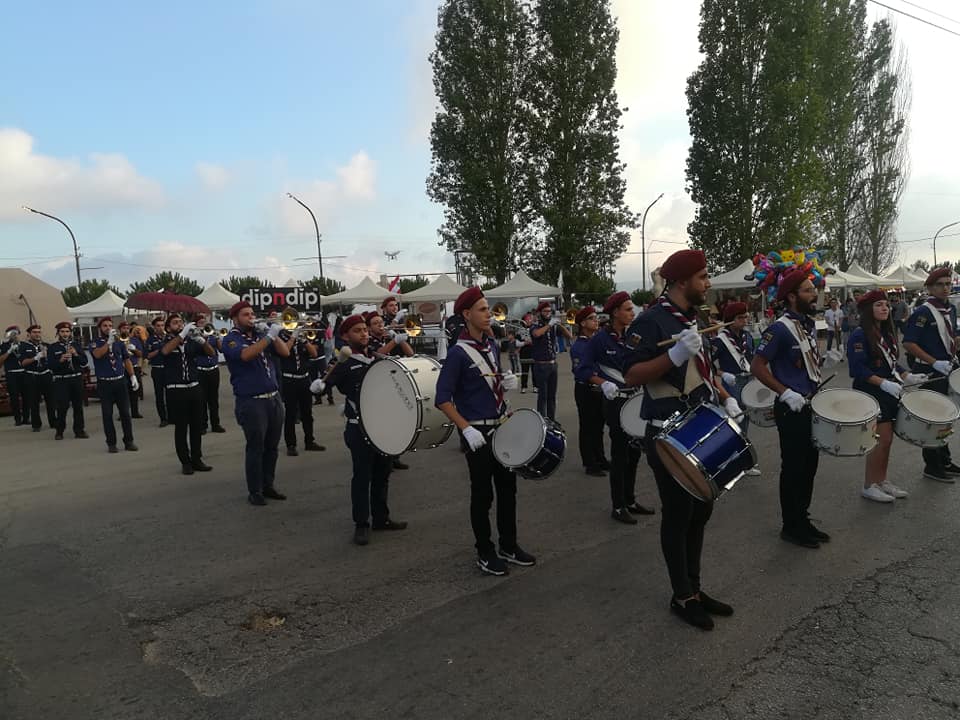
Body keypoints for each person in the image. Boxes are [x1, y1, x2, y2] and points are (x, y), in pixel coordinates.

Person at [624, 250, 741, 631]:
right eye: (703, 277)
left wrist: (725, 398)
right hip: (666, 430)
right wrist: (673, 355)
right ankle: (682, 596)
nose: (708, 283)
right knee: (679, 514)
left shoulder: (693, 318)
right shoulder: (651, 321)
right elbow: (631, 374)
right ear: (681, 281)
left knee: (701, 509)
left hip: (699, 422)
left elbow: (703, 370)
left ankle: (694, 586)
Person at [436, 287, 534, 576]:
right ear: (466, 315)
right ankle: (485, 551)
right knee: (482, 495)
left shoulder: (490, 346)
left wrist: (505, 384)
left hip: (501, 426)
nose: (488, 312)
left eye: (487, 308)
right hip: (476, 433)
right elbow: (442, 398)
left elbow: (489, 384)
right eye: (481, 309)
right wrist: (465, 429)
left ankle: (509, 545)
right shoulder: (457, 353)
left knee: (508, 490)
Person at [751, 269, 829, 549]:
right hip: (791, 407)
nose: (814, 294)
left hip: (811, 404)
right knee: (794, 467)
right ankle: (791, 526)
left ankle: (802, 518)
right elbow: (757, 367)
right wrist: (785, 392)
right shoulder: (779, 329)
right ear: (792, 296)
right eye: (808, 290)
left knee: (810, 465)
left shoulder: (806, 324)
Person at [314, 315, 407, 545]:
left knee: (382, 474)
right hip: (359, 428)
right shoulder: (343, 360)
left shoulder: (376, 356)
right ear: (345, 336)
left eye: (365, 330)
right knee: (362, 476)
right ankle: (361, 523)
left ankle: (381, 518)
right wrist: (318, 386)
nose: (364, 334)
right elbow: (325, 382)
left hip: (382, 425)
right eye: (357, 331)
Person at [584, 291, 655, 524]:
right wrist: (602, 383)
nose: (632, 312)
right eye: (627, 309)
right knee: (620, 453)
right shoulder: (599, 339)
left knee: (635, 452)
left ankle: (630, 499)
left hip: (636, 398)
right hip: (615, 401)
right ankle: (617, 506)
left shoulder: (634, 336)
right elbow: (583, 369)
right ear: (615, 312)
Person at [847, 290, 925, 502]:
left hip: (888, 391)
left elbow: (892, 363)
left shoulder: (886, 333)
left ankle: (881, 481)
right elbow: (857, 369)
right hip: (871, 392)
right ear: (868, 310)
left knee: (887, 440)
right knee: (880, 440)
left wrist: (908, 376)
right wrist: (884, 383)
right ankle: (869, 485)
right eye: (878, 305)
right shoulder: (859, 334)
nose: (885, 308)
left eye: (886, 305)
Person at [221, 301, 289, 506]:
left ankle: (268, 484)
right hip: (251, 402)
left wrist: (272, 334)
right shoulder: (231, 339)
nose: (251, 317)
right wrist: (268, 337)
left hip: (273, 397)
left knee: (272, 447)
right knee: (256, 447)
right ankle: (255, 490)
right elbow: (245, 355)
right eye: (245, 315)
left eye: (252, 314)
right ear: (235, 318)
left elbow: (285, 352)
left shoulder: (260, 335)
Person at [902, 267, 960, 483]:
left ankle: (944, 460)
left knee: (946, 417)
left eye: (948, 283)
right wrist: (934, 362)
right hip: (929, 372)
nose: (946, 288)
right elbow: (909, 343)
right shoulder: (922, 312)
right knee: (932, 420)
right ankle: (932, 466)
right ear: (930, 287)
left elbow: (952, 337)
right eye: (940, 284)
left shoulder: (951, 309)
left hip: (948, 369)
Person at [159, 315, 216, 474]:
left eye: (181, 322)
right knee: (181, 427)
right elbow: (165, 351)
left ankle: (197, 459)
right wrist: (182, 334)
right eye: (175, 323)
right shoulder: (166, 341)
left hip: (194, 387)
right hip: (176, 389)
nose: (180, 324)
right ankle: (185, 461)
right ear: (169, 327)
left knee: (197, 426)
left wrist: (202, 340)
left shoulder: (191, 341)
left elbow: (211, 354)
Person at [712, 302, 761, 476]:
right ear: (730, 320)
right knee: (734, 421)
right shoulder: (719, 341)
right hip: (731, 382)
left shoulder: (747, 336)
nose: (745, 320)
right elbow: (707, 364)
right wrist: (722, 373)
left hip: (748, 380)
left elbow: (753, 358)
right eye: (741, 317)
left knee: (745, 420)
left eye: (746, 317)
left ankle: (742, 461)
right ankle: (728, 460)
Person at [89, 316, 139, 453]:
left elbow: (126, 359)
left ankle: (129, 441)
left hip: (120, 381)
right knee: (107, 414)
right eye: (105, 325)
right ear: (100, 328)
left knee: (125, 413)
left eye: (110, 325)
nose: (108, 327)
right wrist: (108, 343)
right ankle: (111, 443)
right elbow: (98, 355)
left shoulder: (119, 342)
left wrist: (133, 376)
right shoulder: (95, 342)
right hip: (105, 383)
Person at [569, 305, 609, 477]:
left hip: (598, 388)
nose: (596, 321)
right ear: (583, 323)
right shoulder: (579, 346)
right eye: (592, 318)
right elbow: (581, 371)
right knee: (587, 427)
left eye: (596, 317)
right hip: (585, 388)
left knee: (598, 425)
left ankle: (600, 458)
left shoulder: (596, 341)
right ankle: (590, 463)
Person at [278, 326, 325, 456]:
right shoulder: (281, 337)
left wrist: (304, 340)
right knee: (291, 414)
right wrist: (293, 337)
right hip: (289, 380)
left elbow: (314, 354)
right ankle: (291, 445)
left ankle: (309, 441)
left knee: (307, 413)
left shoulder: (301, 338)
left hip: (304, 379)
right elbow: (285, 351)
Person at [529, 301, 574, 422]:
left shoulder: (553, 326)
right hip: (541, 365)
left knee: (552, 396)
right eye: (545, 311)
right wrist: (549, 324)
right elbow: (537, 334)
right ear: (540, 313)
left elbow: (569, 336)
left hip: (553, 364)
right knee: (542, 397)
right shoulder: (535, 325)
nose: (548, 313)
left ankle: (552, 421)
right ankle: (542, 422)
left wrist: (560, 325)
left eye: (549, 311)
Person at [49, 322, 89, 440]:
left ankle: (79, 430)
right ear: (58, 333)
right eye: (62, 332)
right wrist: (60, 360)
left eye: (67, 331)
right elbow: (50, 366)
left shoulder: (76, 345)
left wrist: (75, 354)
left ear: (70, 333)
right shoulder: (53, 347)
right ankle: (59, 431)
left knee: (78, 406)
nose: (65, 334)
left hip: (76, 378)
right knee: (62, 407)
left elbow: (84, 362)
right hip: (62, 380)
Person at [192, 313, 227, 434]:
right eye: (201, 323)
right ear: (196, 325)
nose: (204, 324)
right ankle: (203, 425)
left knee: (213, 399)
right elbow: (198, 351)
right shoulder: (194, 337)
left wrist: (218, 338)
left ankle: (216, 424)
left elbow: (221, 349)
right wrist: (203, 338)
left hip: (213, 369)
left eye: (204, 322)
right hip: (200, 370)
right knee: (201, 399)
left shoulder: (212, 335)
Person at [19, 324, 56, 432]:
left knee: (51, 400)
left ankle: (53, 422)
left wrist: (47, 356)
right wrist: (36, 357)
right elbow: (23, 363)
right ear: (29, 334)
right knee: (33, 401)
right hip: (32, 375)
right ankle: (36, 424)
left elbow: (53, 361)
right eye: (34, 332)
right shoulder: (23, 346)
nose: (37, 334)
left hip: (46, 374)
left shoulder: (46, 345)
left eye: (39, 332)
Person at [145, 316, 169, 427]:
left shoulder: (168, 337)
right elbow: (148, 356)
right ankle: (163, 418)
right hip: (157, 369)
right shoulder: (150, 340)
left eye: (162, 325)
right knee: (159, 395)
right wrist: (159, 350)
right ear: (154, 327)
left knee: (171, 394)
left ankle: (172, 416)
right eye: (158, 326)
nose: (160, 327)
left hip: (169, 368)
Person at [0, 326, 27, 426]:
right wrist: (9, 351)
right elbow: (1, 361)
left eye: (16, 334)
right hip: (11, 373)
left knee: (26, 396)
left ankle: (26, 417)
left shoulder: (24, 345)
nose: (14, 336)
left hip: (23, 372)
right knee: (14, 397)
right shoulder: (4, 346)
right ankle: (17, 419)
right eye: (12, 334)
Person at [118, 322, 144, 419]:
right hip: (121, 368)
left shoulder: (134, 340)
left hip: (134, 366)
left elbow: (140, 354)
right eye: (123, 328)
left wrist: (134, 349)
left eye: (127, 328)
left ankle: (135, 412)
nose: (126, 330)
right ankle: (123, 413)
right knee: (123, 392)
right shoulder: (117, 341)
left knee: (135, 390)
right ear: (119, 330)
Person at [517, 312, 534, 393]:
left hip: (534, 352)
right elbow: (516, 343)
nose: (529, 320)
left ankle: (536, 386)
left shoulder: (534, 328)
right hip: (524, 353)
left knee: (535, 371)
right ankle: (524, 387)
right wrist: (524, 343)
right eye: (527, 319)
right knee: (524, 371)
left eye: (530, 319)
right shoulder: (519, 330)